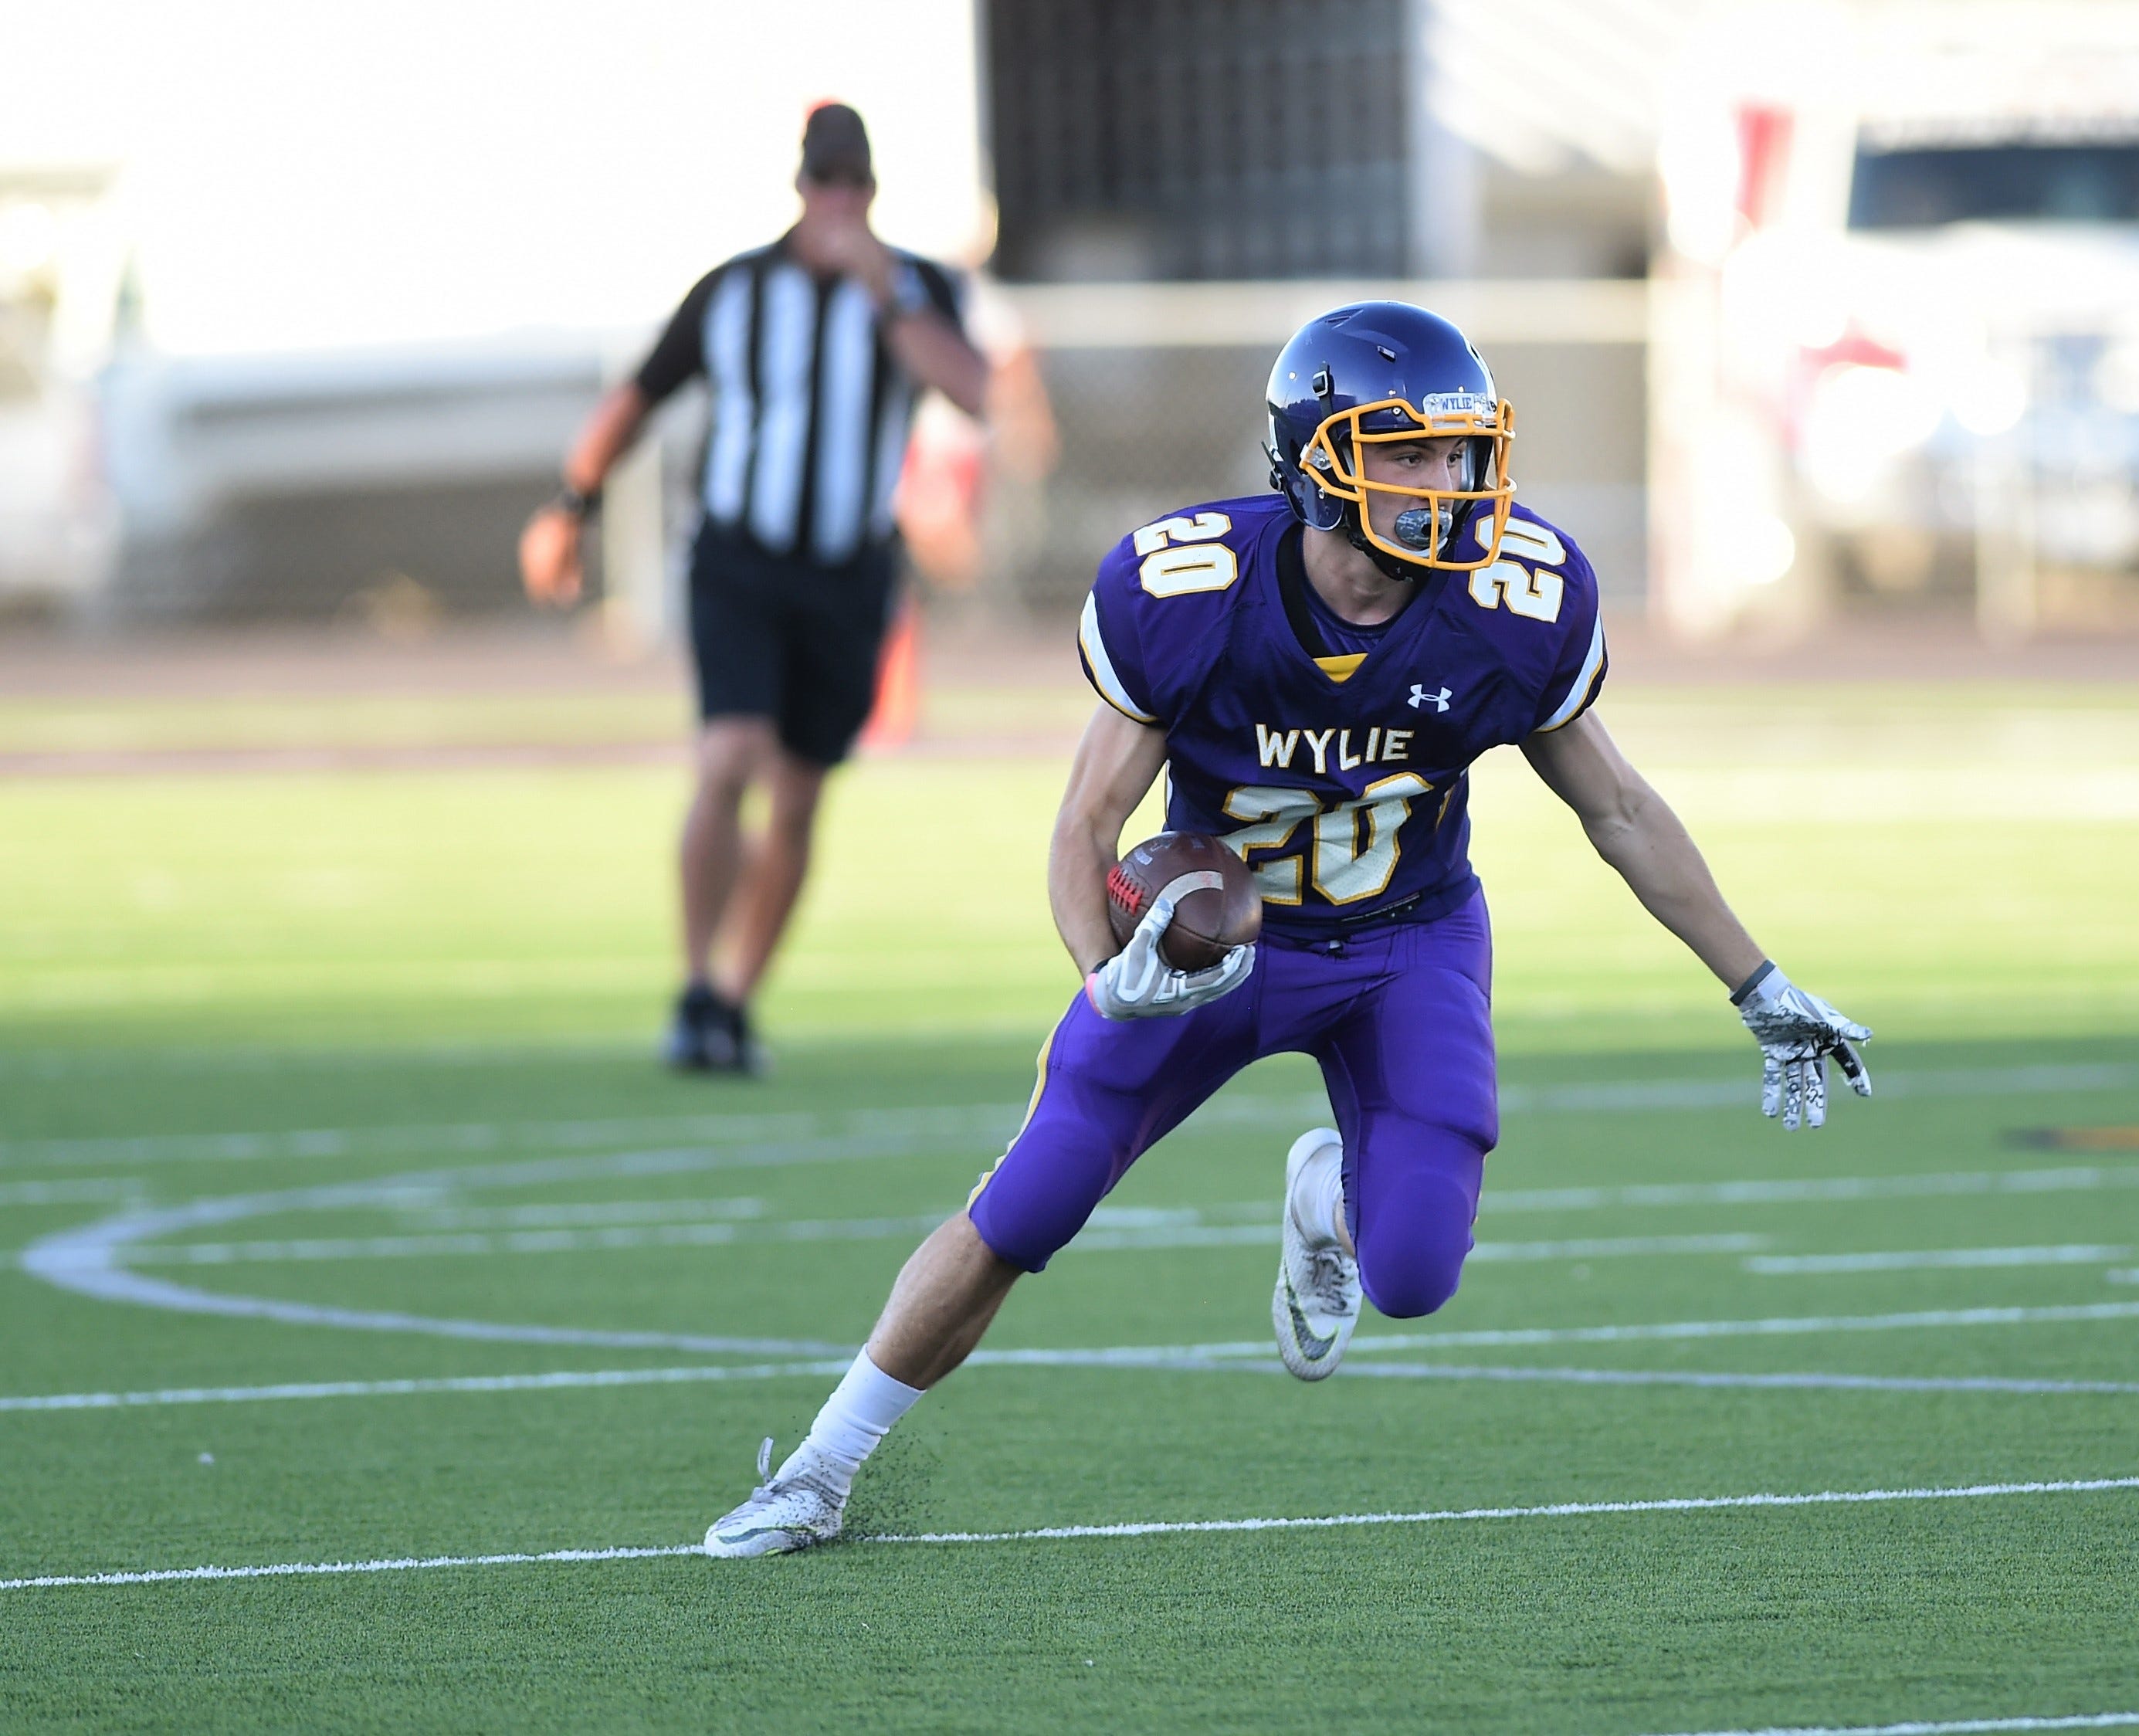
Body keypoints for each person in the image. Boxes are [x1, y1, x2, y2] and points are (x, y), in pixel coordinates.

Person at [703, 300, 1871, 1555]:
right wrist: (1109, 982)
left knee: (1414, 1272)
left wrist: (1752, 980)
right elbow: (1086, 819)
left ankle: (1329, 1194)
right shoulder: (1195, 591)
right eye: (1408, 450)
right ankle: (819, 1470)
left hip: (1402, 941)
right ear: (1318, 456)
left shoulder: (1510, 601)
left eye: (1458, 450)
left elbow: (1622, 808)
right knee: (1027, 1206)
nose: (1449, 481)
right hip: (1216, 953)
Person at [519, 101, 988, 1074]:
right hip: (741, 557)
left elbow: (976, 391)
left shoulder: (916, 286)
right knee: (729, 754)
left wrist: (888, 293)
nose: (838, 201)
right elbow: (638, 396)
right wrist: (570, 507)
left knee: (801, 794)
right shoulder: (736, 290)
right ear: (801, 188)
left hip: (849, 569)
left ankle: (735, 999)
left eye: (853, 185)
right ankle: (695, 985)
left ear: (870, 192)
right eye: (825, 183)